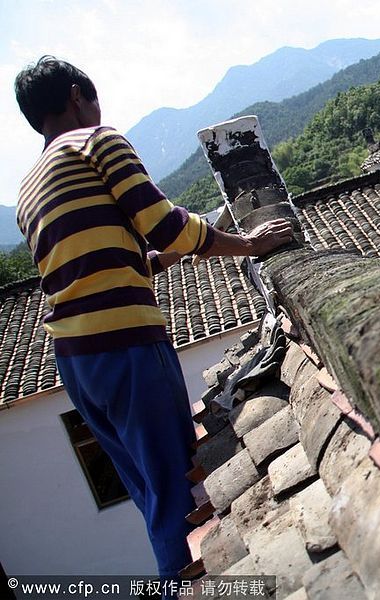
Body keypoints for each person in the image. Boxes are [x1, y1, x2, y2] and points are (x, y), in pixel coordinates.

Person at [14, 56, 293, 581]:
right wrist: (247, 244)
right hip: (126, 347)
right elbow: (162, 224)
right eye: (93, 100)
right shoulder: (97, 140)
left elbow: (96, 262)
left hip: (78, 367)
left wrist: (162, 261)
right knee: (180, 493)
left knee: (150, 497)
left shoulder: (29, 190)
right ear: (78, 96)